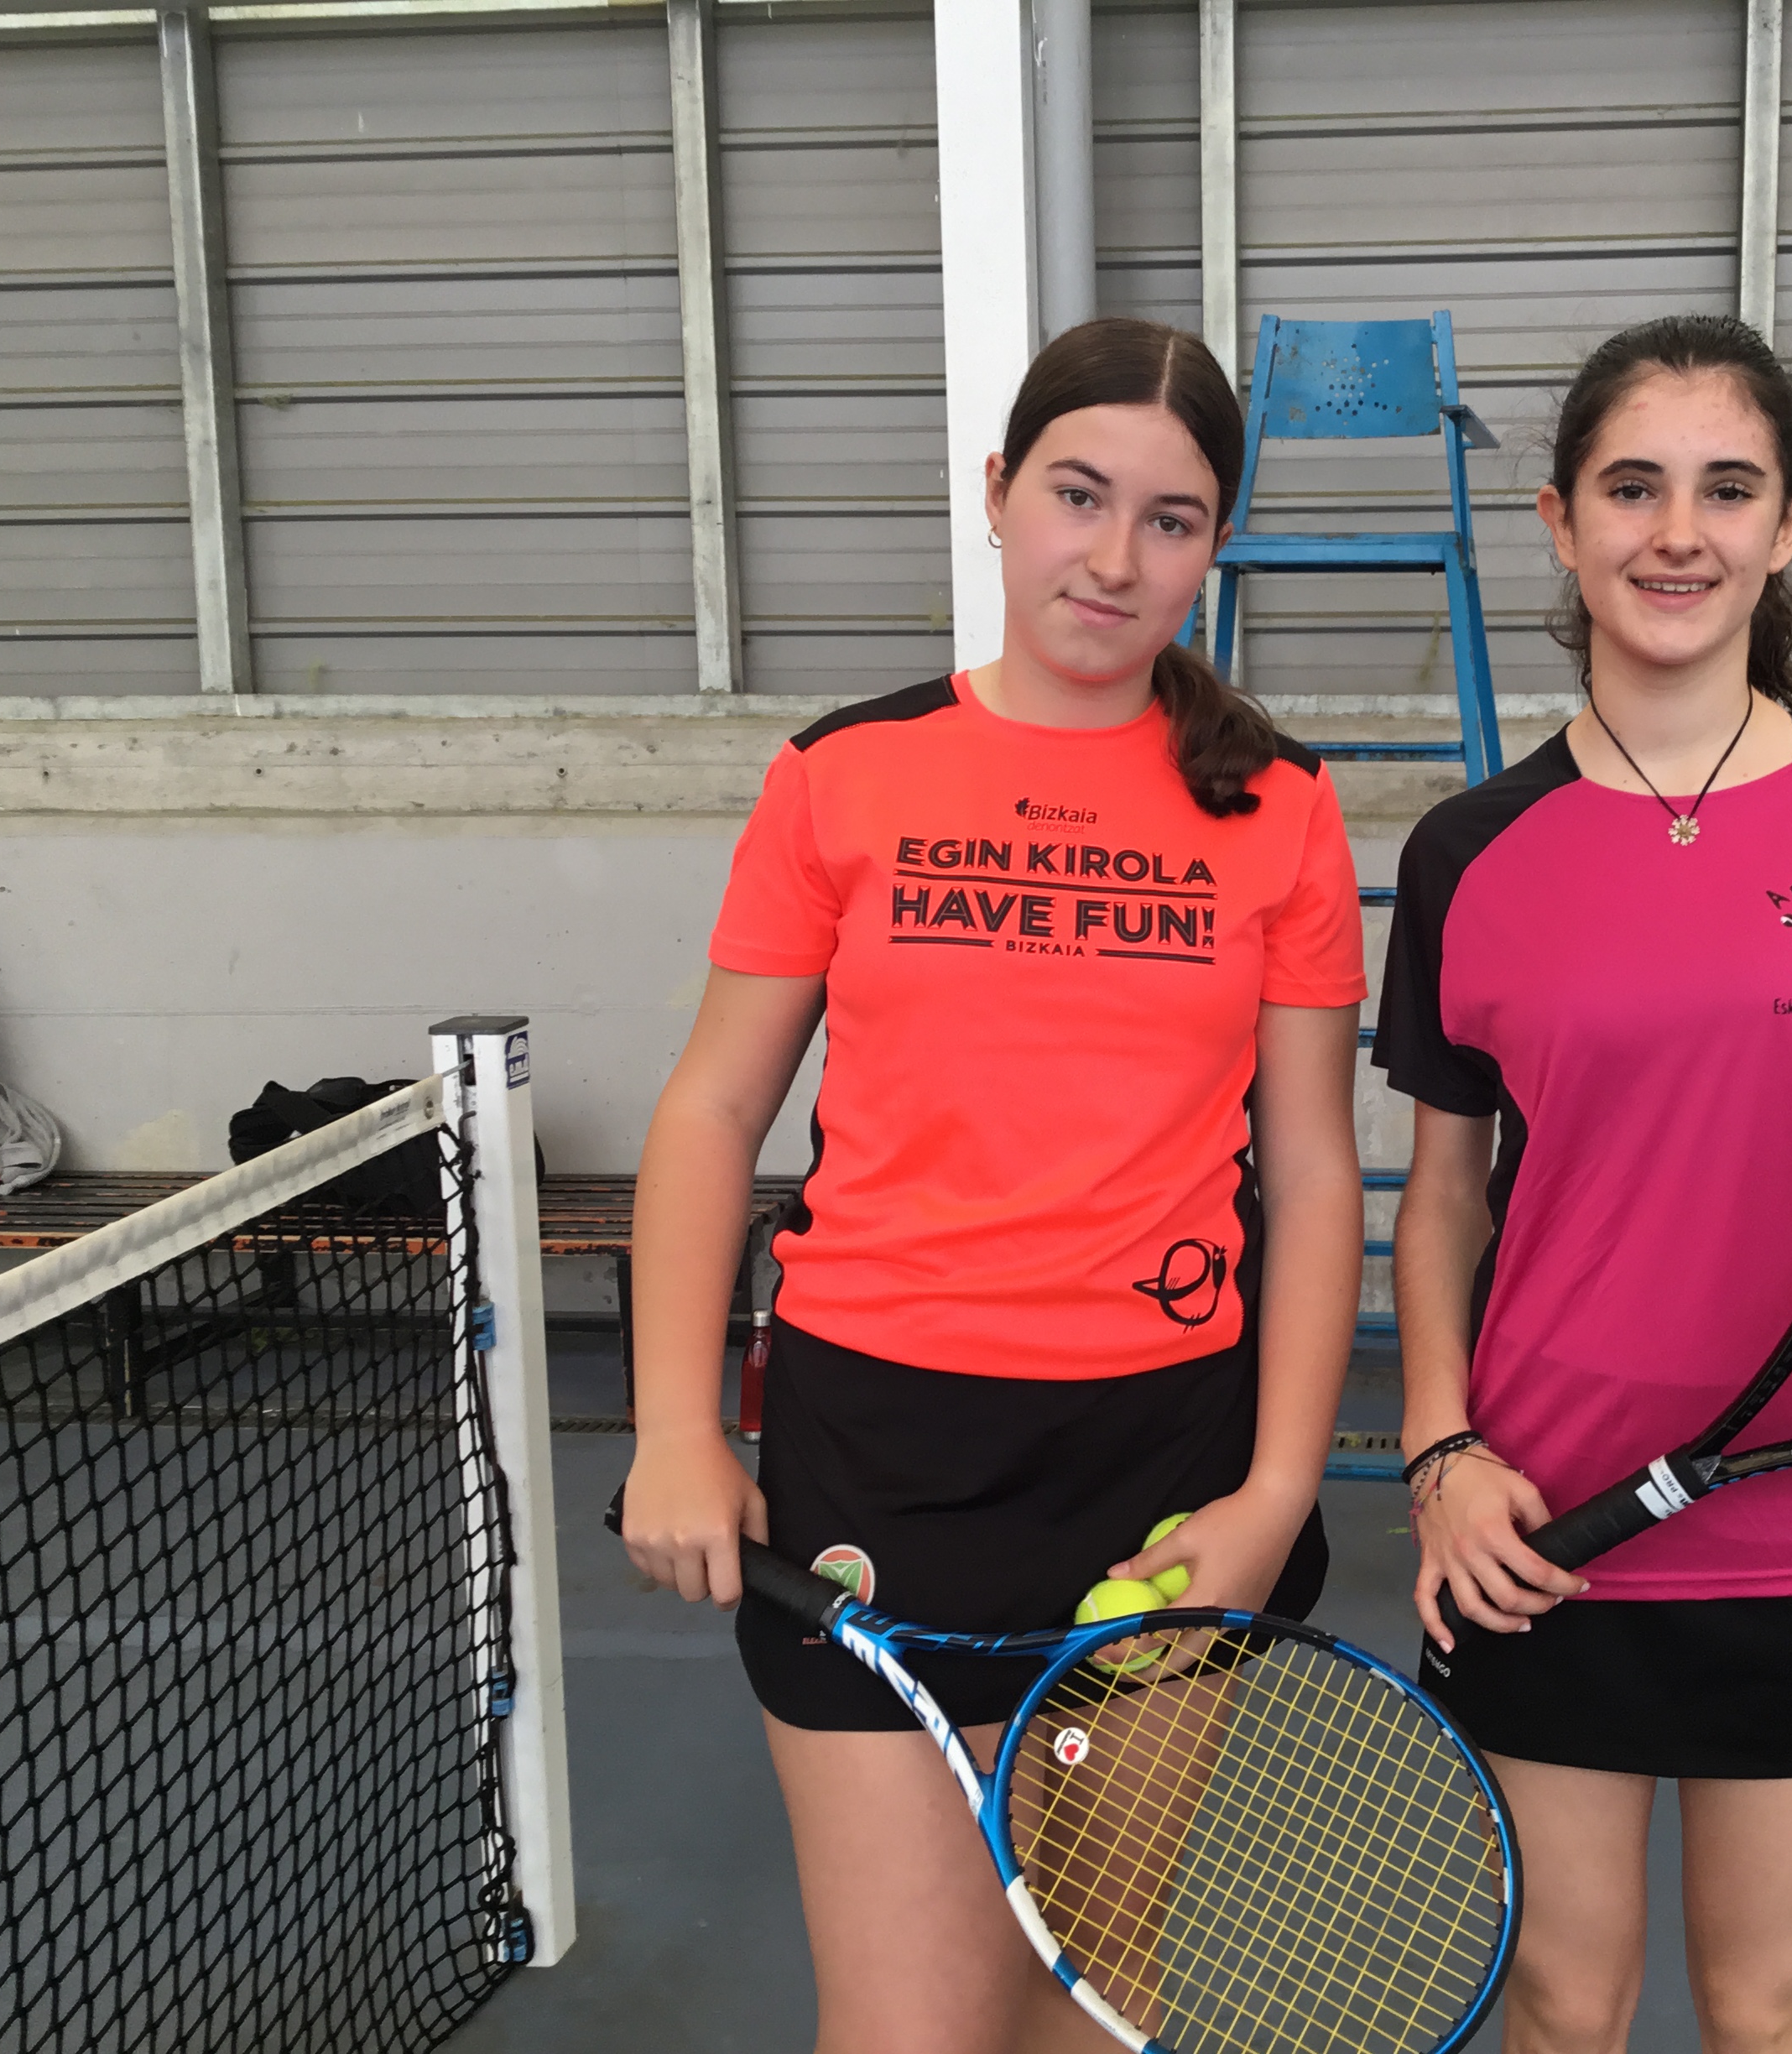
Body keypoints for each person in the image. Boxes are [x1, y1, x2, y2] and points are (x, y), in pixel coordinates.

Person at [617, 316, 1367, 2054]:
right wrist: (672, 1428)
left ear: (1217, 543)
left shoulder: (1283, 810)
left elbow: (1317, 1168)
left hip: (1161, 1468)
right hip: (878, 1451)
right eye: (1076, 496)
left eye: (1171, 520)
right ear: (997, 493)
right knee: (911, 2027)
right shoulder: (844, 774)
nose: (1114, 559)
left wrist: (1274, 1492)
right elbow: (713, 1108)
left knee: (1093, 1997)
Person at [1376, 313, 1792, 2054]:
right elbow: (1442, 1198)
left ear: (1791, 523)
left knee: (1766, 2003)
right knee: (1564, 2003)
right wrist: (1441, 1455)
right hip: (1547, 1522)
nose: (1680, 533)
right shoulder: (1467, 853)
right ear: (1559, 522)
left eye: (1728, 490)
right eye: (1633, 488)